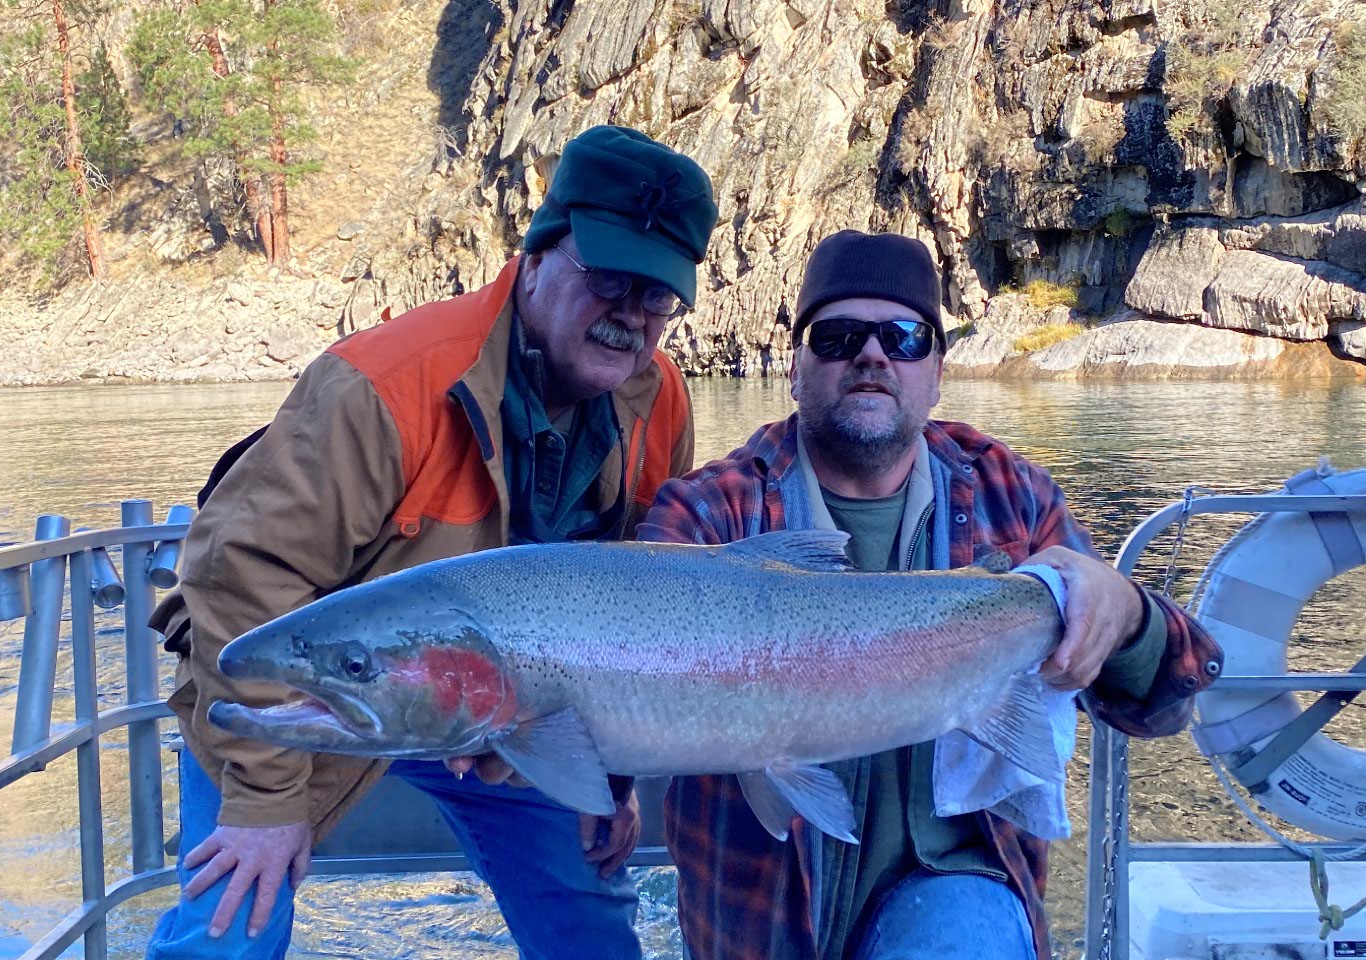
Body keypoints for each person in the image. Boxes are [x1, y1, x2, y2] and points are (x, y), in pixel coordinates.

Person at [145, 124, 719, 960]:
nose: (630, 317)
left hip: (504, 713)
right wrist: (266, 802)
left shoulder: (658, 399)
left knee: (590, 925)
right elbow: (240, 578)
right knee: (231, 920)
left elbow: (633, 615)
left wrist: (610, 774)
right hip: (311, 693)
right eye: (607, 280)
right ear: (538, 254)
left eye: (657, 296)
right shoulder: (383, 385)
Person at [637, 229, 1224, 960]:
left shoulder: (1012, 493)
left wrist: (1128, 617)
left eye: (904, 337)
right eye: (838, 335)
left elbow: (1168, 701)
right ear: (794, 367)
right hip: (760, 919)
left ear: (937, 371)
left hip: (958, 885)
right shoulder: (707, 512)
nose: (872, 356)